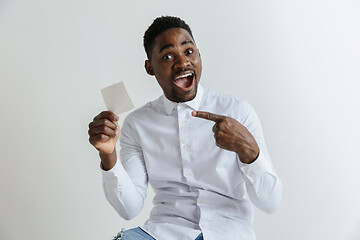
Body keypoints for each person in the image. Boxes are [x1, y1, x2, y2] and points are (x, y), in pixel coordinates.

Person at [88, 16, 282, 240]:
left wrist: (249, 152)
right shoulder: (137, 124)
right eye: (168, 56)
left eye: (189, 51)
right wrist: (108, 155)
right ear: (149, 67)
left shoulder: (237, 111)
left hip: (227, 232)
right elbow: (129, 209)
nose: (182, 62)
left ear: (199, 55)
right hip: (163, 232)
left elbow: (270, 202)